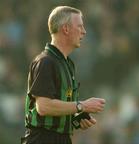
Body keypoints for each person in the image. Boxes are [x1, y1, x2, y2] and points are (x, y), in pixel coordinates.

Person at [21, 6, 106, 144]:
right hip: (43, 139)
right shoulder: (46, 62)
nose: (84, 32)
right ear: (66, 29)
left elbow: (60, 106)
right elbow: (43, 107)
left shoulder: (67, 64)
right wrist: (81, 106)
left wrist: (76, 117)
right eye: (80, 27)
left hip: (62, 139)